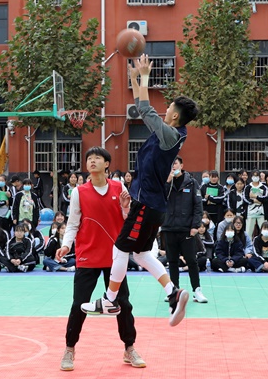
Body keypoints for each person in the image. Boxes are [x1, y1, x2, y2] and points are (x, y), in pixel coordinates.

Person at [83, 54, 199, 326]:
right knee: (141, 254)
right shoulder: (170, 134)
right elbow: (140, 106)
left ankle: (110, 300)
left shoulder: (171, 135)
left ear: (174, 115)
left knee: (120, 249)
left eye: (168, 107)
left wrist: (145, 77)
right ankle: (173, 293)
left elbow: (146, 110)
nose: (165, 110)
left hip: (147, 204)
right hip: (152, 205)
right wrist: (135, 78)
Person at [55, 147, 145, 371]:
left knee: (123, 304)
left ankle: (129, 348)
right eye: (89, 159)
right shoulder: (79, 192)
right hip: (87, 256)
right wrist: (66, 245)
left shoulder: (119, 187)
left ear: (107, 164)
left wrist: (125, 208)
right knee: (79, 305)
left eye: (97, 158)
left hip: (115, 258)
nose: (92, 161)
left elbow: (128, 219)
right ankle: (69, 349)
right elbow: (73, 223)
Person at [161, 157, 206, 303]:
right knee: (172, 261)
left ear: (182, 165)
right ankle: (174, 290)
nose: (173, 166)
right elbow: (160, 200)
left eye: (175, 163)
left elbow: (198, 206)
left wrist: (195, 226)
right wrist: (167, 182)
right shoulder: (165, 181)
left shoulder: (191, 182)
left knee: (191, 260)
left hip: (187, 229)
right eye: (171, 164)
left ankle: (197, 291)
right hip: (169, 227)